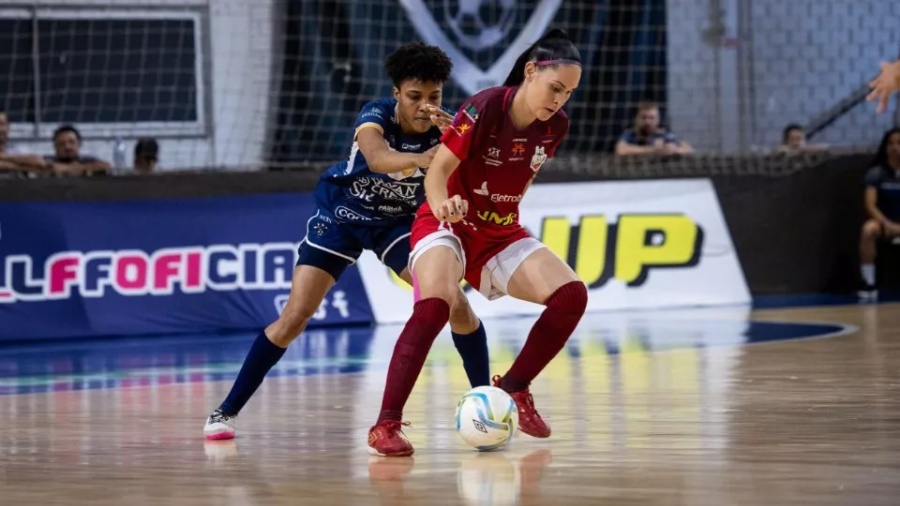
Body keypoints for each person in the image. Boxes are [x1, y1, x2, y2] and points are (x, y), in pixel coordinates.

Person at [204, 42, 491, 440]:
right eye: (413, 97)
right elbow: (378, 159)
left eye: (433, 96)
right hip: (343, 215)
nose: (424, 105)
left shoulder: (449, 129)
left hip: (399, 224)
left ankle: (487, 401)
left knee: (455, 301)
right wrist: (428, 158)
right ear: (396, 94)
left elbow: (467, 177)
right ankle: (224, 412)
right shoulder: (375, 115)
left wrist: (458, 149)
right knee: (294, 318)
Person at [366, 29, 588, 457]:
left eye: (568, 93)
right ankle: (385, 424)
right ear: (530, 72)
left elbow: (519, 175)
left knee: (571, 296)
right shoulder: (484, 106)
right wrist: (444, 203)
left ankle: (515, 388)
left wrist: (502, 219)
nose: (559, 100)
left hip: (499, 233)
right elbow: (437, 172)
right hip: (445, 222)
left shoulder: (556, 126)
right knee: (433, 306)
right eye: (554, 87)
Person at [859, 127, 900, 298]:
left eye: (899, 143)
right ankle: (869, 283)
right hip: (885, 222)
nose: (895, 147)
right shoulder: (876, 173)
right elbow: (870, 205)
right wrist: (887, 224)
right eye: (890, 143)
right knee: (868, 230)